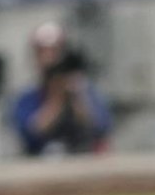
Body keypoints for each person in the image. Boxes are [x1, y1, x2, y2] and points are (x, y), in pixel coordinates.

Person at [12, 22, 112, 157]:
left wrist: (77, 96)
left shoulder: (86, 91)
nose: (48, 58)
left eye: (54, 51)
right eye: (42, 52)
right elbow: (29, 135)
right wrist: (56, 99)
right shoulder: (28, 97)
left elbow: (100, 128)